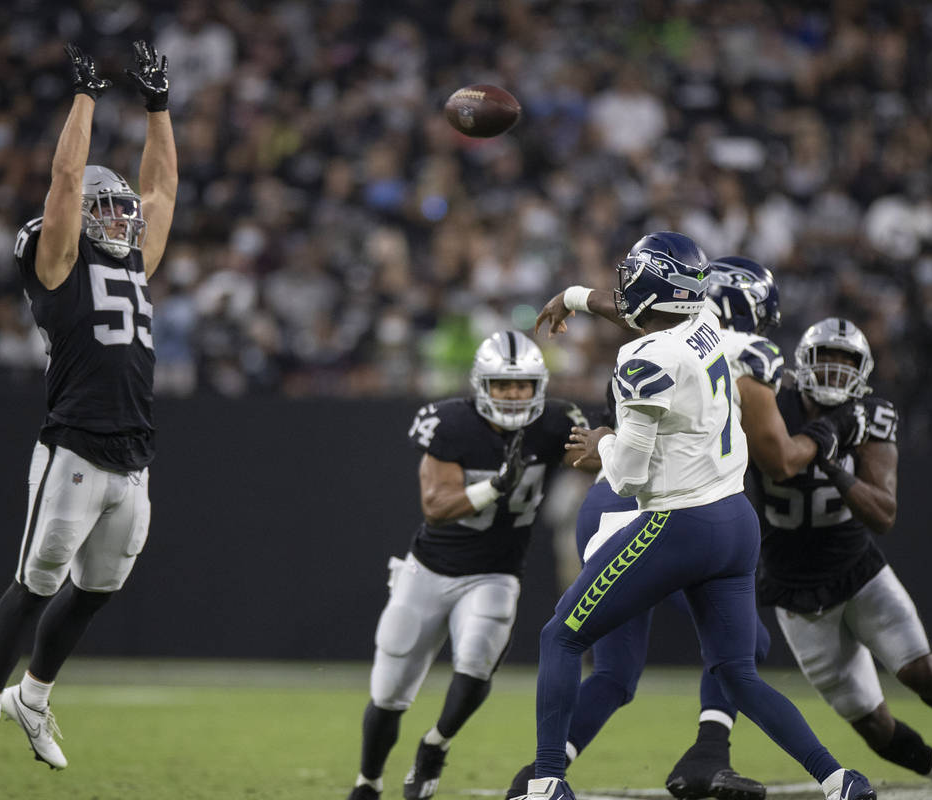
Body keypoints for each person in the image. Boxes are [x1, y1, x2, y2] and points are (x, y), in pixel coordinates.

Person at [517, 231, 875, 800]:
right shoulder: (704, 318)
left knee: (559, 636)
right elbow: (641, 310)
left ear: (654, 289)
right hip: (735, 520)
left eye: (635, 273)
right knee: (739, 672)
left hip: (677, 523)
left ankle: (545, 782)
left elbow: (629, 475)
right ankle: (839, 779)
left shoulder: (643, 358)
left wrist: (603, 442)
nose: (625, 282)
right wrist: (576, 296)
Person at [0, 41, 176, 794]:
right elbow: (61, 181)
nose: (122, 218)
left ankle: (34, 698)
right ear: (77, 218)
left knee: (99, 587)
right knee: (37, 583)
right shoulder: (55, 261)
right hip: (75, 449)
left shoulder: (128, 258)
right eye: (105, 209)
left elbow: (164, 193)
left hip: (134, 454)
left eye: (120, 208)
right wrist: (85, 96)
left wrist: (158, 107)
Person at [346, 331, 589, 800]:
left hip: (495, 572)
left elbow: (599, 460)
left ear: (538, 386)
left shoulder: (558, 421)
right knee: (389, 690)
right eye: (503, 385)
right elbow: (435, 504)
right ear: (482, 385)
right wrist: (495, 487)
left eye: (522, 386)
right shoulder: (450, 422)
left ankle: (435, 745)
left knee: (478, 662)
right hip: (430, 569)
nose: (514, 395)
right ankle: (368, 781)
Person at [755, 317, 932, 800]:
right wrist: (822, 439)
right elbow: (779, 461)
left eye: (847, 361)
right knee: (873, 724)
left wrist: (833, 467)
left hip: (858, 569)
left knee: (924, 672)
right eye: (827, 359)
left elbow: (883, 513)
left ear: (864, 369)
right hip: (794, 589)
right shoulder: (771, 407)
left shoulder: (872, 413)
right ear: (803, 365)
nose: (837, 370)